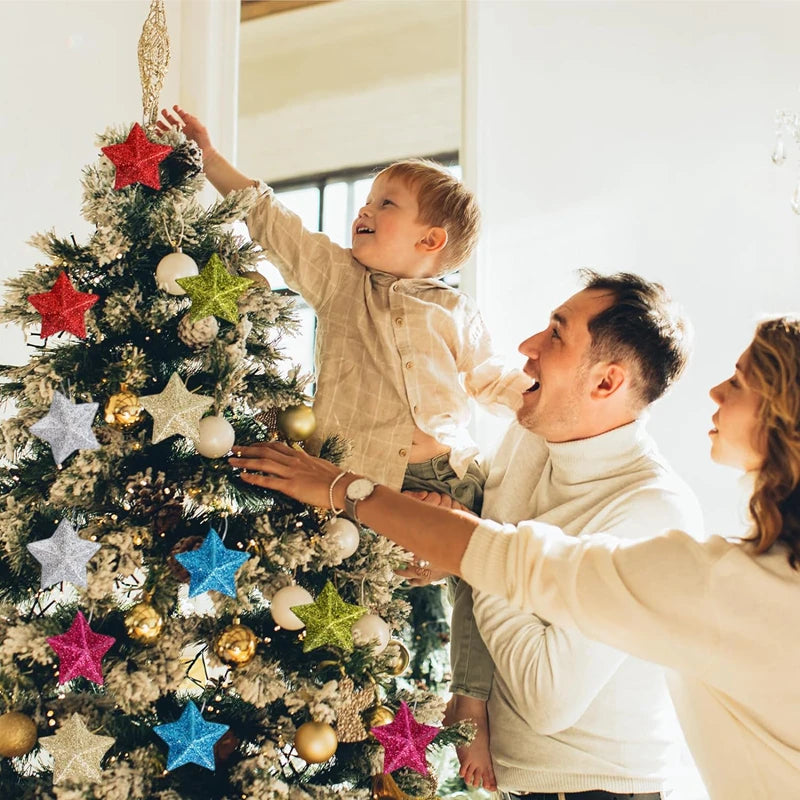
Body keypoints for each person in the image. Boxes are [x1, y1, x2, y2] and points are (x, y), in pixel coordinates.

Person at [231, 312, 800, 800]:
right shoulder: (533, 446)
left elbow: (500, 559)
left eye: (740, 381)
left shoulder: (716, 573)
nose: (716, 392)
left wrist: (344, 490)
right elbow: (501, 553)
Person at [157, 105, 529, 783]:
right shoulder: (338, 281)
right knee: (347, 603)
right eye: (365, 201)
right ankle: (351, 734)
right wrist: (209, 157)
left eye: (385, 204)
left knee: (483, 582)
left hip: (446, 477)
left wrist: (535, 395)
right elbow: (271, 218)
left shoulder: (453, 310)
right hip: (355, 484)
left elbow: (488, 378)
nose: (364, 211)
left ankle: (470, 702)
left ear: (429, 241)